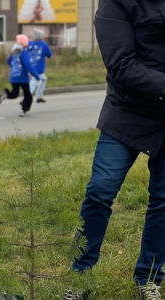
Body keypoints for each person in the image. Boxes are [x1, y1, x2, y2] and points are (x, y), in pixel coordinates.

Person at [64, 1, 165, 300]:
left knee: (163, 199)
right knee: (100, 192)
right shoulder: (114, 4)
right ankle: (79, 277)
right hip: (127, 110)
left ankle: (149, 279)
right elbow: (122, 66)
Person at [0, 34, 40, 117]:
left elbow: (8, 61)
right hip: (23, 78)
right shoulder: (24, 53)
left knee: (14, 94)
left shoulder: (13, 52)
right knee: (28, 95)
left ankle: (5, 93)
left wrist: (13, 68)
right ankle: (24, 110)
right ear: (25, 43)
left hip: (13, 77)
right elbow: (28, 66)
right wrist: (36, 76)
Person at [28, 28, 52, 103]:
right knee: (33, 82)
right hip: (38, 68)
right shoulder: (44, 45)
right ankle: (27, 98)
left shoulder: (29, 43)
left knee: (43, 79)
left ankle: (39, 96)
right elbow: (49, 55)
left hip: (29, 66)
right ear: (41, 36)